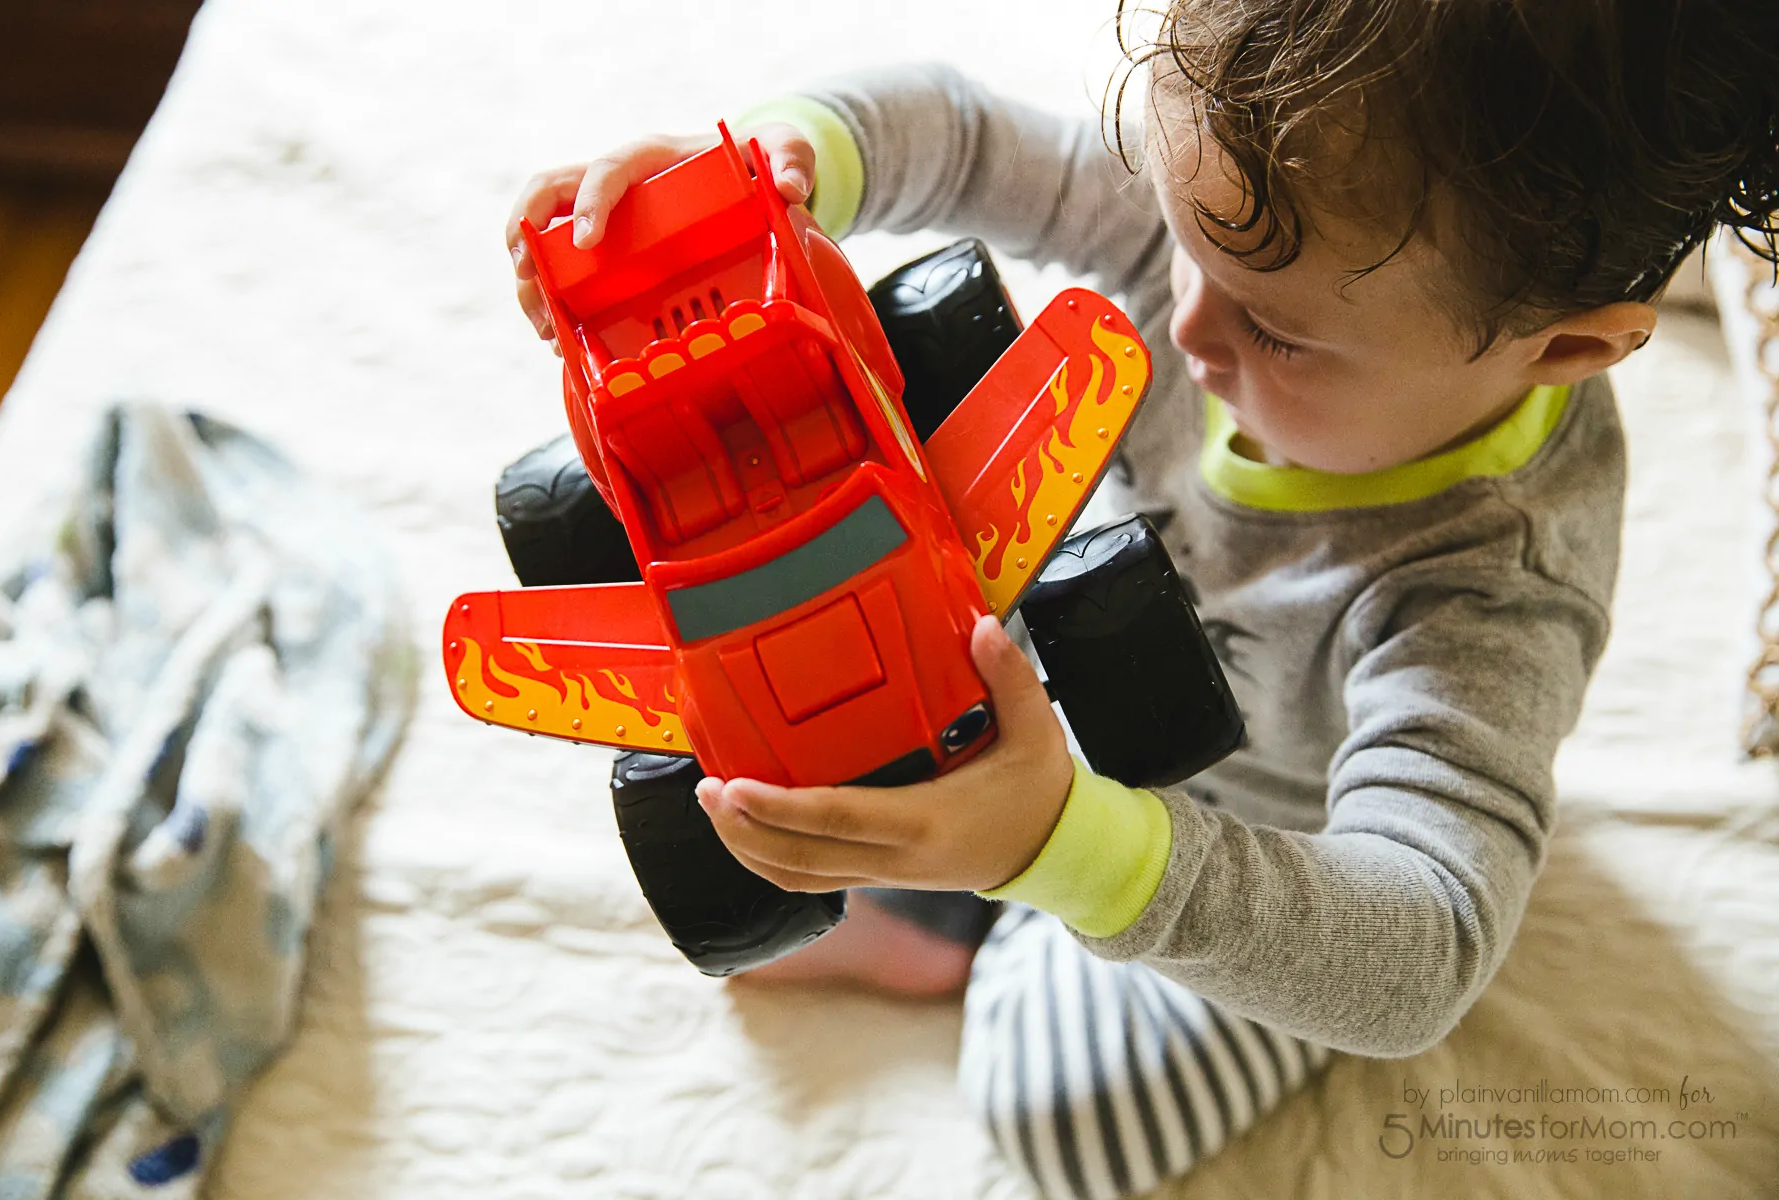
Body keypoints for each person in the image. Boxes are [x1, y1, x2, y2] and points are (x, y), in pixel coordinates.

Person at [507, 3, 1779, 1196]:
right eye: (1175, 236)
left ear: (1567, 346)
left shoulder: (1488, 586)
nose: (1187, 327)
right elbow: (953, 130)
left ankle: (958, 938)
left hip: (1253, 836)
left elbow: (1426, 952)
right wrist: (770, 181)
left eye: (1277, 337)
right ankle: (975, 859)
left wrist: (1062, 853)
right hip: (1026, 638)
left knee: (1054, 1111)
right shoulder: (1260, 205)